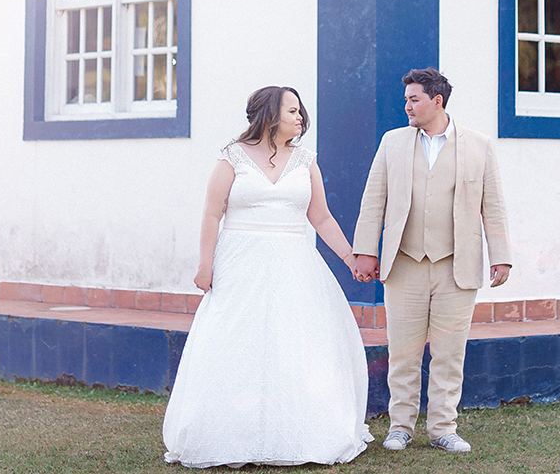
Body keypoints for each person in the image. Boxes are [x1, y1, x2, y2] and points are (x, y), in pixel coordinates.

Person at [163, 86, 373, 468]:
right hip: (241, 262)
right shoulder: (231, 158)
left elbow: (320, 216)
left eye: (300, 112)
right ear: (269, 114)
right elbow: (212, 214)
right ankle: (232, 432)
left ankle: (295, 433)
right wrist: (205, 265)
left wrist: (350, 257)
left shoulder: (306, 160)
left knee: (293, 343)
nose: (300, 118)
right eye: (292, 110)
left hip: (294, 263)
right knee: (237, 344)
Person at [351, 67, 512, 454]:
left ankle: (443, 428)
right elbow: (374, 200)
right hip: (403, 262)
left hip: (457, 264)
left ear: (437, 101)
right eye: (406, 99)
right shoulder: (392, 142)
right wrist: (365, 251)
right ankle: (400, 426)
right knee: (402, 350)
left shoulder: (479, 144)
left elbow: (493, 205)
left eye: (414, 99)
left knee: (449, 352)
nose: (406, 105)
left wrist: (501, 256)